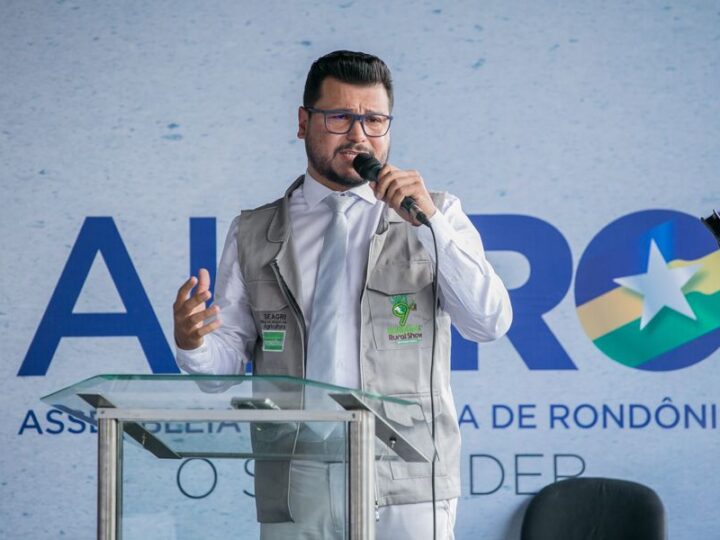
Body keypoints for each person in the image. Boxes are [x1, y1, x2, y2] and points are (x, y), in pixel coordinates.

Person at [173, 50, 512, 540]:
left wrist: (428, 224)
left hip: (407, 473)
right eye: (340, 118)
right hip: (296, 470)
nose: (359, 135)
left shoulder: (437, 214)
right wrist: (194, 343)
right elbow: (219, 372)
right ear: (303, 122)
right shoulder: (252, 231)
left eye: (374, 120)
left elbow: (489, 322)